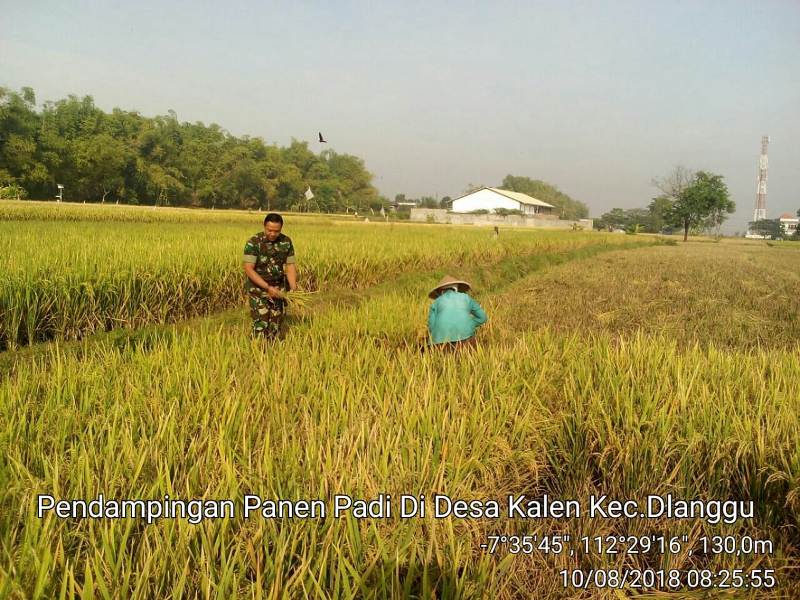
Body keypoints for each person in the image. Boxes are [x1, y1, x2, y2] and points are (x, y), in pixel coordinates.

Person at [242, 213, 297, 339]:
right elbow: (249, 269)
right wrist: (267, 288)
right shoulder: (254, 242)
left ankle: (273, 354)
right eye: (269, 230)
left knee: (275, 326)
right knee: (261, 325)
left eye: (276, 231)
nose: (272, 234)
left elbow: (290, 266)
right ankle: (258, 353)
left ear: (281, 228)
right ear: (264, 226)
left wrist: (293, 288)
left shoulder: (286, 242)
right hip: (259, 290)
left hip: (278, 290)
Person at [427, 275, 488, 351]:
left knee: (441, 360)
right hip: (465, 339)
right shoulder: (466, 298)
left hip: (439, 342)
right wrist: (469, 324)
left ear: (441, 291)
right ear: (456, 288)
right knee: (466, 358)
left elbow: (431, 327)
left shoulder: (435, 303)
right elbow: (483, 317)